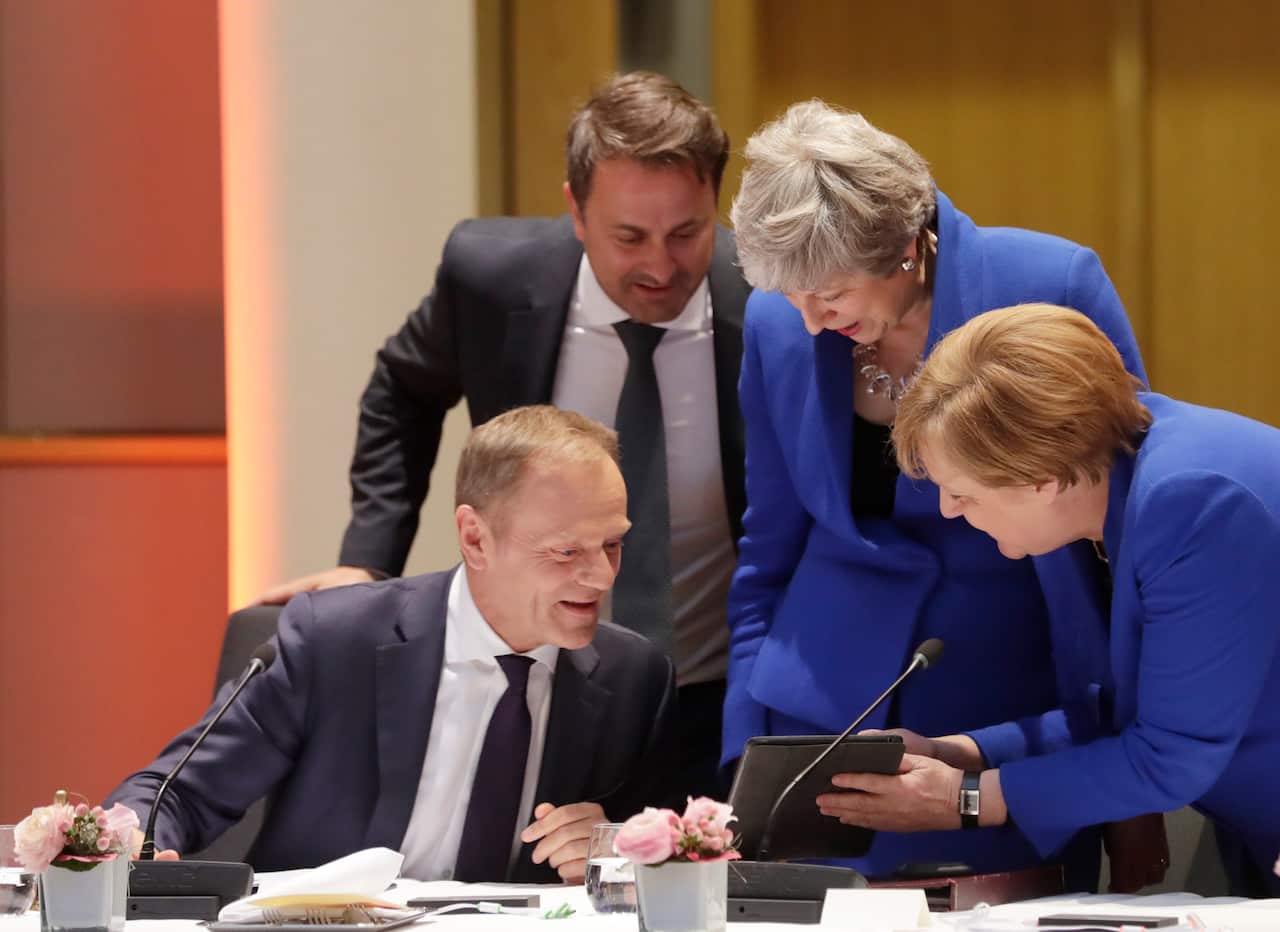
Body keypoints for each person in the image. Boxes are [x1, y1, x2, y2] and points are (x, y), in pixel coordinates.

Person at [256, 72, 750, 799]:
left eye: (687, 233)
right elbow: (401, 391)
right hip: (534, 680)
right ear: (576, 213)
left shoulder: (770, 295)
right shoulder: (490, 277)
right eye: (628, 237)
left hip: (715, 691)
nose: (660, 266)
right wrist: (368, 560)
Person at [724, 100, 1153, 886]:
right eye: (790, 296)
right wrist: (742, 752)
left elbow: (1124, 539)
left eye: (829, 294)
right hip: (819, 720)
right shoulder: (778, 320)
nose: (810, 322)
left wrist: (1130, 789)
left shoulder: (1051, 283)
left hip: (1014, 710)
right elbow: (767, 550)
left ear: (900, 249)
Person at [820, 303, 1280, 898]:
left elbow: (1169, 756)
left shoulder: (1191, 503)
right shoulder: (1129, 477)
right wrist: (956, 754)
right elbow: (1129, 715)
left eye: (962, 493)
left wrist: (962, 802)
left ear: (1043, 477)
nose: (948, 512)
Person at [109, 406, 676, 883]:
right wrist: (133, 840)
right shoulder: (335, 643)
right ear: (476, 538)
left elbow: (663, 856)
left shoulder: (634, 678)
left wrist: (618, 849)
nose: (601, 576)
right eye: (566, 552)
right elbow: (175, 795)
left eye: (612, 544)